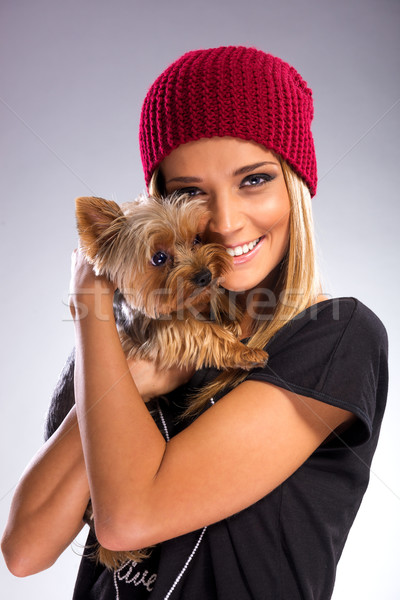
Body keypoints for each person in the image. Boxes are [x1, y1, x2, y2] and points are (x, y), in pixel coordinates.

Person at [1, 46, 388, 600]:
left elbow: (127, 519)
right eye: (189, 192)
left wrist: (118, 365)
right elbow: (24, 551)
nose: (227, 224)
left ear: (296, 185)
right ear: (160, 206)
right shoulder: (114, 346)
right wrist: (94, 303)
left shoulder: (335, 337)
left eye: (253, 179)